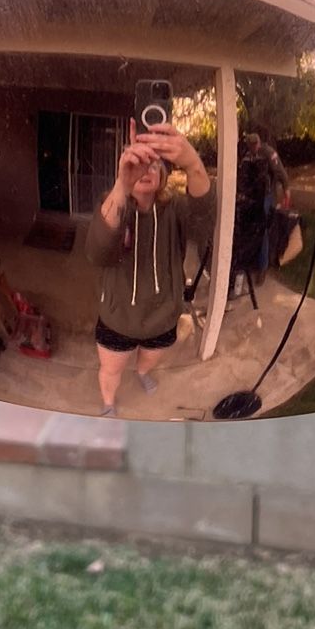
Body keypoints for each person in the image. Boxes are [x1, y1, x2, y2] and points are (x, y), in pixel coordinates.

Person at [84, 122, 215, 416]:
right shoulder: (112, 205)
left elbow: (204, 223)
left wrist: (193, 164)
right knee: (111, 370)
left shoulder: (176, 209)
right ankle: (108, 404)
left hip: (163, 318)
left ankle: (142, 374)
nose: (146, 170)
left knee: (149, 360)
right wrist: (122, 186)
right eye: (138, 164)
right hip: (118, 319)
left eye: (154, 165)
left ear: (163, 175)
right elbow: (97, 252)